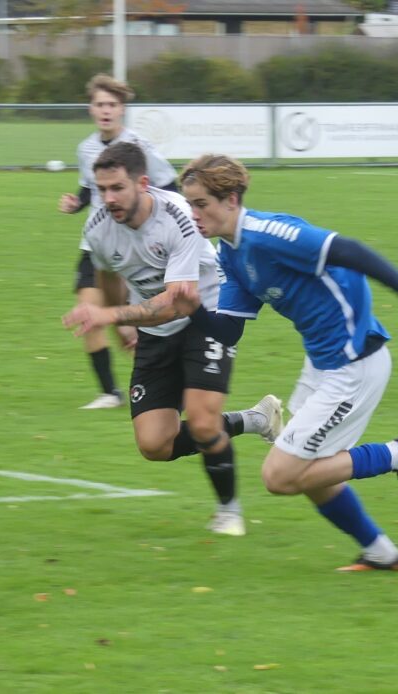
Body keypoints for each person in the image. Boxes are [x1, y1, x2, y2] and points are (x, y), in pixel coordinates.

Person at [168, 153, 398, 572]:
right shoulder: (229, 253)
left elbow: (351, 251)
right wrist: (193, 310)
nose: (193, 214)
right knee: (311, 470)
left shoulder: (267, 234)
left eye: (201, 204)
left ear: (230, 199)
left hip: (355, 363)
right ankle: (381, 553)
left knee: (280, 475)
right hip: (322, 363)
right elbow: (228, 332)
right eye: (189, 204)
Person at [62, 142, 283, 537]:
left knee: (202, 422)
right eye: (102, 190)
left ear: (142, 183)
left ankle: (228, 511)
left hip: (206, 315)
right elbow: (108, 276)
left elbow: (176, 303)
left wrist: (109, 315)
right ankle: (255, 420)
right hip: (153, 329)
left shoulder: (179, 216)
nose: (108, 199)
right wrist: (121, 321)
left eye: (117, 188)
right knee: (154, 444)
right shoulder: (97, 228)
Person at [58, 73, 179, 410]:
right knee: (89, 312)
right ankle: (110, 392)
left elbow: (169, 187)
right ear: (91, 109)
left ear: (122, 109)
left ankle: (163, 379)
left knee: (142, 320)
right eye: (100, 104)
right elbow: (89, 189)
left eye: (112, 104)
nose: (106, 111)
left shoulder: (138, 147)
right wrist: (76, 203)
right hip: (96, 246)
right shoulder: (86, 148)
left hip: (137, 246)